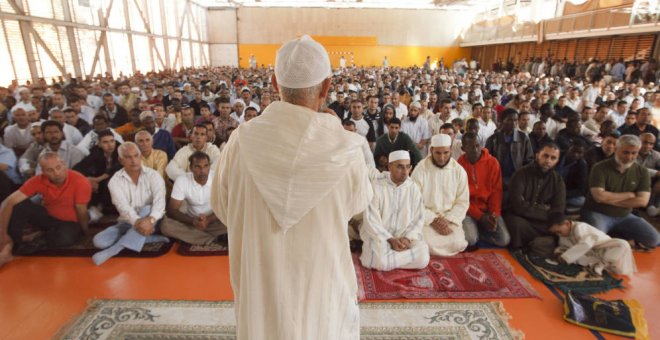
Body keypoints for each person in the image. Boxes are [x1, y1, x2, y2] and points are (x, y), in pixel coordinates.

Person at [210, 35, 372, 340]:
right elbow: (357, 206)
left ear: (274, 83)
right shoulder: (347, 149)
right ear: (326, 87)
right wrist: (333, 130)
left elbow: (222, 206)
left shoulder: (240, 141)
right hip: (321, 282)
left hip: (261, 284)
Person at [0, 152, 91, 262]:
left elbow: (81, 210)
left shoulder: (80, 181)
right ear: (43, 171)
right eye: (50, 170)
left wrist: (85, 231)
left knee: (64, 239)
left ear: (64, 164)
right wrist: (3, 233)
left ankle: (37, 238)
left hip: (70, 222)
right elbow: (8, 202)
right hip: (48, 218)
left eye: (58, 167)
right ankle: (9, 247)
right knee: (19, 205)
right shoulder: (38, 180)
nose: (56, 173)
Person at [91, 142, 168, 266]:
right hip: (127, 222)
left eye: (136, 155)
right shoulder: (115, 181)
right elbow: (123, 208)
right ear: (121, 160)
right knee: (99, 241)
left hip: (153, 221)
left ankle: (114, 250)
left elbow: (160, 203)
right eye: (128, 157)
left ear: (140, 156)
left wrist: (150, 220)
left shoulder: (153, 176)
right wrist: (138, 223)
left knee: (147, 209)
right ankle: (145, 238)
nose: (133, 160)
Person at [581, 135, 660, 250]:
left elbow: (642, 201)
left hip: (624, 215)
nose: (630, 157)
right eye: (626, 152)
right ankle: (615, 240)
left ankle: (618, 241)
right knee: (596, 244)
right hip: (598, 212)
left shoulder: (642, 172)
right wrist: (629, 195)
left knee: (654, 239)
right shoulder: (599, 168)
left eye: (634, 153)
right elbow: (598, 197)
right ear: (616, 149)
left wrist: (609, 200)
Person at [359, 150, 429, 271]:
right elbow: (371, 219)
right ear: (389, 166)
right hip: (381, 237)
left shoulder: (413, 188)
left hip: (404, 237)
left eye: (408, 167)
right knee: (380, 261)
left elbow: (419, 217)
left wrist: (407, 238)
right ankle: (397, 259)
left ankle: (390, 261)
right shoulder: (377, 186)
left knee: (423, 258)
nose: (405, 172)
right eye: (400, 167)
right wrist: (390, 240)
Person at [411, 134, 469, 256]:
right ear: (431, 150)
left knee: (458, 242)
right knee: (425, 243)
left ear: (451, 151)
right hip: (426, 219)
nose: (442, 157)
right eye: (438, 153)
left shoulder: (459, 171)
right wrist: (433, 219)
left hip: (450, 219)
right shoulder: (420, 169)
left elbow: (462, 202)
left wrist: (447, 220)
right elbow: (413, 202)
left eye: (445, 153)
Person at [504, 143, 566, 250]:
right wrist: (545, 210)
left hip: (542, 223)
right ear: (537, 155)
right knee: (516, 224)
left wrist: (536, 209)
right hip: (521, 218)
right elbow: (518, 205)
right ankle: (520, 250)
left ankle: (535, 245)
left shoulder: (558, 180)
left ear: (557, 160)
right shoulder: (521, 174)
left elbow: (558, 208)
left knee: (559, 226)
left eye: (553, 158)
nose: (548, 161)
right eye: (545, 156)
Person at [161, 152, 227, 245]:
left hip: (214, 221)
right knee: (165, 225)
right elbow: (172, 210)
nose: (202, 170)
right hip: (191, 222)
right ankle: (213, 240)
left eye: (206, 166)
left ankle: (196, 237)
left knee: (236, 219)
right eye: (197, 167)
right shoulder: (182, 180)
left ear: (209, 166)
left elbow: (226, 206)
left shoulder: (217, 178)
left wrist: (208, 220)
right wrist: (193, 221)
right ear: (191, 168)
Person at [458, 132, 510, 247]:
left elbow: (496, 192)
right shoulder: (458, 166)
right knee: (470, 239)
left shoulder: (493, 163)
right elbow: (460, 199)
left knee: (504, 240)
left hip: (488, 210)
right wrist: (480, 217)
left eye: (478, 145)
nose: (476, 149)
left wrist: (493, 215)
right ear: (463, 148)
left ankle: (478, 231)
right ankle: (476, 233)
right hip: (468, 210)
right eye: (471, 147)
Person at [548, 212, 636, 276]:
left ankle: (602, 265)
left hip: (604, 249)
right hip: (591, 256)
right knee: (573, 256)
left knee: (623, 244)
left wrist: (565, 257)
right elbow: (563, 247)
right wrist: (558, 253)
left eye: (559, 231)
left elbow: (586, 244)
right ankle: (596, 266)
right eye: (556, 233)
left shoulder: (581, 227)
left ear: (567, 223)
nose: (558, 234)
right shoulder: (563, 236)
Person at [73, 130, 122, 221]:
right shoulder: (95, 152)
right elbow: (79, 167)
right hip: (100, 182)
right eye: (105, 142)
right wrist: (89, 179)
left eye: (112, 141)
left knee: (109, 181)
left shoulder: (121, 150)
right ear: (99, 144)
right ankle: (91, 209)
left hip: (119, 180)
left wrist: (98, 179)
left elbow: (118, 168)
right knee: (87, 184)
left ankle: (98, 208)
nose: (110, 145)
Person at [485, 108, 534, 186]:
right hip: (498, 178)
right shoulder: (493, 139)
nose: (514, 123)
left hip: (517, 178)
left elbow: (529, 159)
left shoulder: (523, 137)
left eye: (516, 120)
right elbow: (487, 161)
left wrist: (523, 177)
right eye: (510, 120)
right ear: (502, 121)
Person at [557, 142, 589, 208]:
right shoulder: (558, 155)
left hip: (565, 191)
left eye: (579, 153)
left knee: (582, 200)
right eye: (573, 151)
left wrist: (563, 194)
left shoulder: (582, 165)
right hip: (549, 187)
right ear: (568, 149)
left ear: (583, 154)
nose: (575, 155)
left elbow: (581, 189)